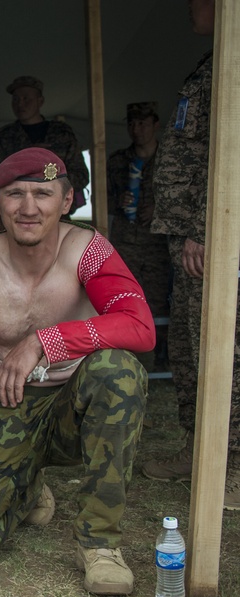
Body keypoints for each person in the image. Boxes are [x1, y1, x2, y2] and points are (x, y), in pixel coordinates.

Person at [0, 147, 154, 596]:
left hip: (76, 409)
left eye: (43, 194)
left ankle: (99, 542)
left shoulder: (87, 250)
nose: (29, 208)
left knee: (117, 369)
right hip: (6, 410)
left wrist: (47, 341)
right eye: (15, 194)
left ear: (66, 202)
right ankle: (25, 486)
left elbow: (139, 326)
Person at [144, 0, 234, 501]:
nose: (188, 8)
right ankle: (197, 447)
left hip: (215, 236)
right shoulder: (210, 64)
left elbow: (229, 152)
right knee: (187, 347)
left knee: (227, 353)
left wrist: (204, 226)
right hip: (190, 238)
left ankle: (234, 466)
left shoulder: (235, 63)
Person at [105, 102, 169, 370]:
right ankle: (127, 362)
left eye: (143, 123)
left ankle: (161, 359)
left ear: (155, 124)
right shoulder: (118, 160)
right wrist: (117, 200)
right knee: (125, 300)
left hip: (158, 244)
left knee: (158, 300)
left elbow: (189, 200)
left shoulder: (171, 159)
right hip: (126, 243)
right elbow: (101, 199)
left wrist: (160, 209)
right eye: (131, 123)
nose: (136, 129)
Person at [0, 76, 90, 214]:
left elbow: (81, 175)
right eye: (16, 99)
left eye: (26, 98)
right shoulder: (5, 136)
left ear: (40, 101)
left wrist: (49, 182)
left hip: (56, 215)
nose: (20, 104)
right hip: (18, 215)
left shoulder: (61, 134)